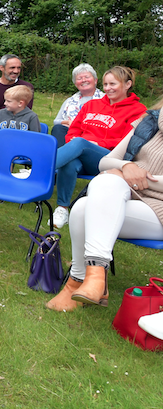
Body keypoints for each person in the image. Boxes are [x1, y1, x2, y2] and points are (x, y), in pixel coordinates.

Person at [46, 95, 163, 312]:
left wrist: (135, 177)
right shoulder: (149, 121)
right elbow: (106, 161)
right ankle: (90, 277)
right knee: (83, 205)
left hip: (159, 209)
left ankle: (82, 281)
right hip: (130, 195)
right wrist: (127, 166)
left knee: (95, 195)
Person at [52, 66, 146, 227]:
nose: (108, 89)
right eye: (105, 84)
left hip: (110, 159)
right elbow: (73, 130)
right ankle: (62, 209)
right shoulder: (91, 105)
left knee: (81, 143)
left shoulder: (138, 110)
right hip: (82, 155)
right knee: (70, 161)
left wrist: (98, 144)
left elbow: (130, 143)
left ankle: (39, 170)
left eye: (113, 84)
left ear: (128, 84)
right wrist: (74, 139)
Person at [51, 63, 104, 147]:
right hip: (71, 133)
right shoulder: (69, 101)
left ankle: (62, 158)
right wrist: (68, 122)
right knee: (58, 129)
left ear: (95, 80)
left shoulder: (105, 99)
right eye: (79, 78)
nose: (83, 80)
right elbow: (56, 121)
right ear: (75, 84)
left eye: (87, 77)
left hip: (94, 135)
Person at [0, 54, 35, 120]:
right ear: (2, 68)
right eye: (12, 68)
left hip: (16, 126)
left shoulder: (25, 88)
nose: (16, 71)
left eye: (19, 68)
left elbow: (26, 113)